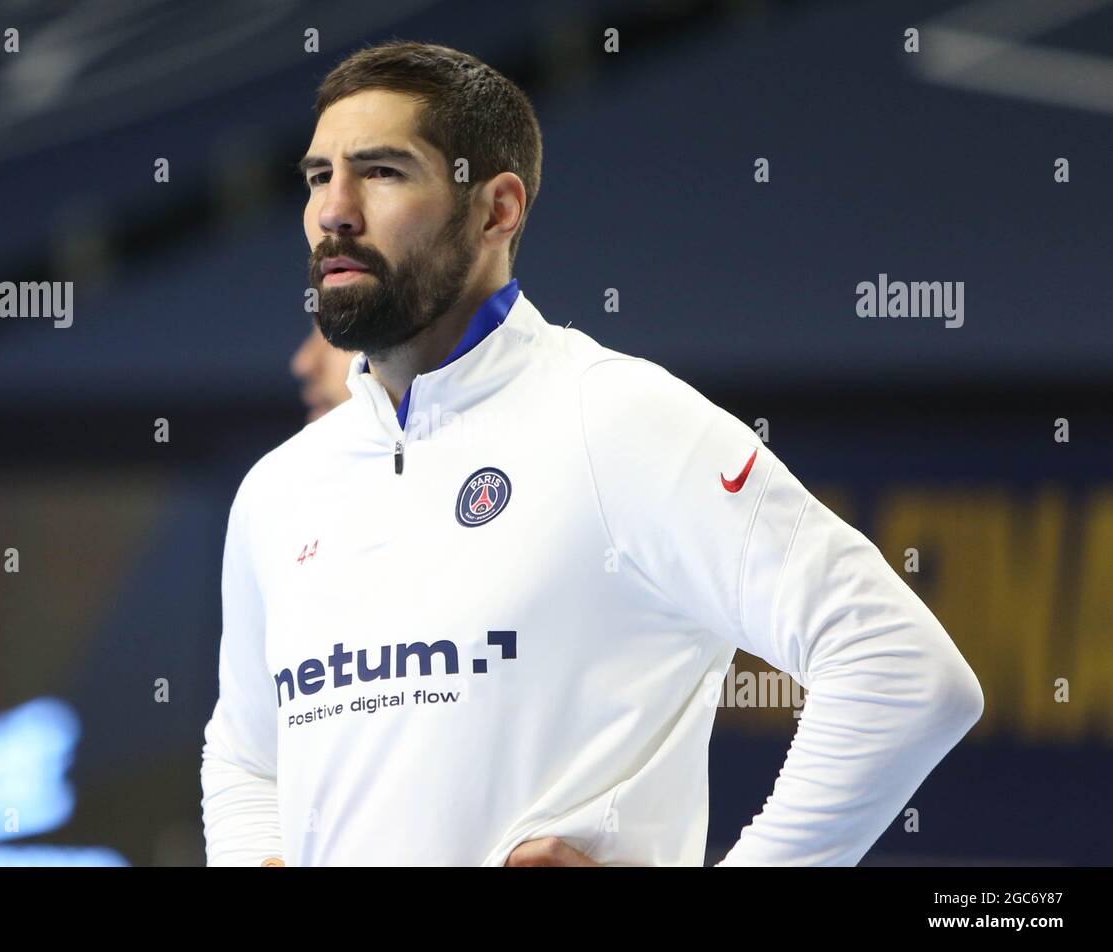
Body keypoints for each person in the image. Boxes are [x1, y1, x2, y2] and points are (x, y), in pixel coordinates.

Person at [200, 40, 983, 866]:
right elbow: (248, 756)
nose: (335, 211)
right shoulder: (279, 490)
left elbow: (900, 669)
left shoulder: (614, 419)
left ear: (499, 209)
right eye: (319, 176)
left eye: (384, 171)